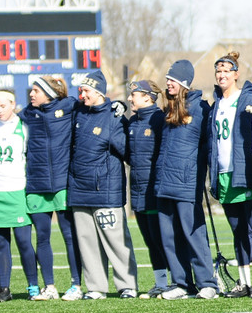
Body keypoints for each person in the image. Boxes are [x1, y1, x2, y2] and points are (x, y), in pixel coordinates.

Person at [209, 53, 252, 298]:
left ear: (236, 74)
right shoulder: (216, 103)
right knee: (237, 230)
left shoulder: (250, 100)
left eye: (227, 70)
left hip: (247, 173)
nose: (222, 74)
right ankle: (244, 281)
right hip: (225, 173)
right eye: (218, 71)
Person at [67, 71, 138, 299]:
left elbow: (128, 153)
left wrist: (117, 107)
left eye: (86, 91)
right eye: (81, 90)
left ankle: (127, 285)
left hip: (106, 192)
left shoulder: (114, 118)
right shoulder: (77, 112)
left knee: (116, 241)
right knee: (87, 243)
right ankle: (96, 287)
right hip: (79, 189)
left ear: (99, 93)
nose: (82, 95)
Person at [155, 60, 218, 300]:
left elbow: (206, 146)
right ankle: (181, 283)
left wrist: (203, 175)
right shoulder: (168, 109)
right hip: (164, 183)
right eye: (168, 79)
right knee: (169, 237)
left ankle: (207, 283)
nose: (168, 83)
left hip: (186, 183)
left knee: (193, 234)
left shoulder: (201, 109)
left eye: (172, 80)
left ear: (184, 83)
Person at [21, 76, 82, 301]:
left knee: (69, 236)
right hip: (36, 185)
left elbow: (95, 109)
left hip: (62, 184)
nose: (31, 94)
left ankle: (76, 285)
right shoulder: (27, 114)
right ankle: (50, 287)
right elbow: (5, 121)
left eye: (36, 90)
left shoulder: (69, 107)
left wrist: (118, 107)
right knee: (42, 237)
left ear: (49, 93)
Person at [0, 90, 39, 301]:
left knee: (24, 241)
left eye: (3, 106)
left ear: (13, 104)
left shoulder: (24, 127)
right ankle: (3, 287)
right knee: (1, 243)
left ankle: (33, 285)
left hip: (17, 190)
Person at [125, 80, 170, 298]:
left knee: (161, 239)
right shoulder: (133, 121)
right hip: (137, 190)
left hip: (154, 191)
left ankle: (178, 281)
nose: (129, 99)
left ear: (147, 97)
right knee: (150, 241)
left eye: (133, 94)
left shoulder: (159, 119)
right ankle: (161, 283)